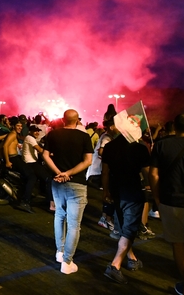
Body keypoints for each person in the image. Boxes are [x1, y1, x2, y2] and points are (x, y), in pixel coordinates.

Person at [149, 113, 184, 295]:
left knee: (178, 245)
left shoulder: (162, 144)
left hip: (170, 203)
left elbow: (153, 175)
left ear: (174, 128)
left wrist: (157, 198)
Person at [42, 109, 93, 274]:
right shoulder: (84, 137)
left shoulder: (53, 134)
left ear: (63, 120)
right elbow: (88, 161)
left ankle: (60, 252)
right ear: (77, 120)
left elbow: (45, 155)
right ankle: (67, 262)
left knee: (59, 216)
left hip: (57, 182)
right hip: (77, 183)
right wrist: (69, 173)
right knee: (73, 225)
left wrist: (58, 172)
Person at [101, 134, 151, 284]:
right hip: (132, 189)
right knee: (130, 229)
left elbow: (105, 171)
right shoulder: (139, 147)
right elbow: (146, 172)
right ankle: (115, 266)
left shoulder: (110, 146)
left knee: (123, 224)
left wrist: (105, 191)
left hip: (116, 188)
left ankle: (131, 258)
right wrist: (152, 188)